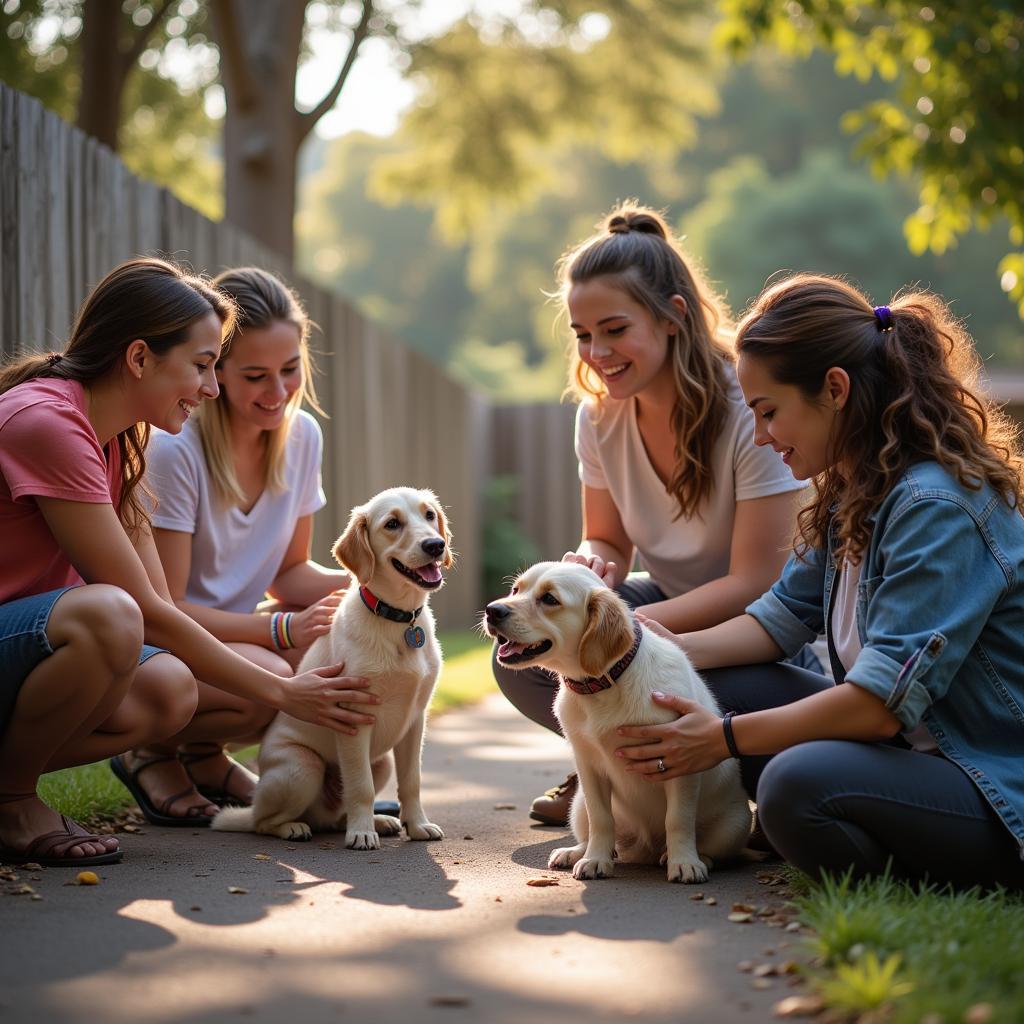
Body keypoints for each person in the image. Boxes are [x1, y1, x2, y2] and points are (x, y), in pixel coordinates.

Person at [615, 274, 1024, 890]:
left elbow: (880, 704)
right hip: (908, 753)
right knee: (706, 682)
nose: (760, 435)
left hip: (985, 781)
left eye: (769, 411)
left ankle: (875, 841)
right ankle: (832, 821)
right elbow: (776, 620)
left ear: (834, 389)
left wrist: (723, 739)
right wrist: (654, 653)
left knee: (793, 786)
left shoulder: (935, 507)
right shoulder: (855, 492)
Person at [0, 258, 377, 864]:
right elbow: (150, 609)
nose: (209, 387)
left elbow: (154, 605)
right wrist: (285, 692)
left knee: (168, 688)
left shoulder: (120, 442)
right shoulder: (47, 421)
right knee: (110, 617)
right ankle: (12, 800)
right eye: (204, 365)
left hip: (25, 646)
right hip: (21, 638)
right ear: (141, 358)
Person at [492, 203, 820, 826]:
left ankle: (704, 792)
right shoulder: (599, 417)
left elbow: (758, 583)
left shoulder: (750, 408)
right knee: (518, 654)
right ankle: (609, 774)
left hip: (761, 638)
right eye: (583, 334)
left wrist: (627, 632)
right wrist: (595, 565)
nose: (596, 351)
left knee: (619, 659)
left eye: (614, 329)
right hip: (662, 607)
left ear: (673, 317)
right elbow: (608, 540)